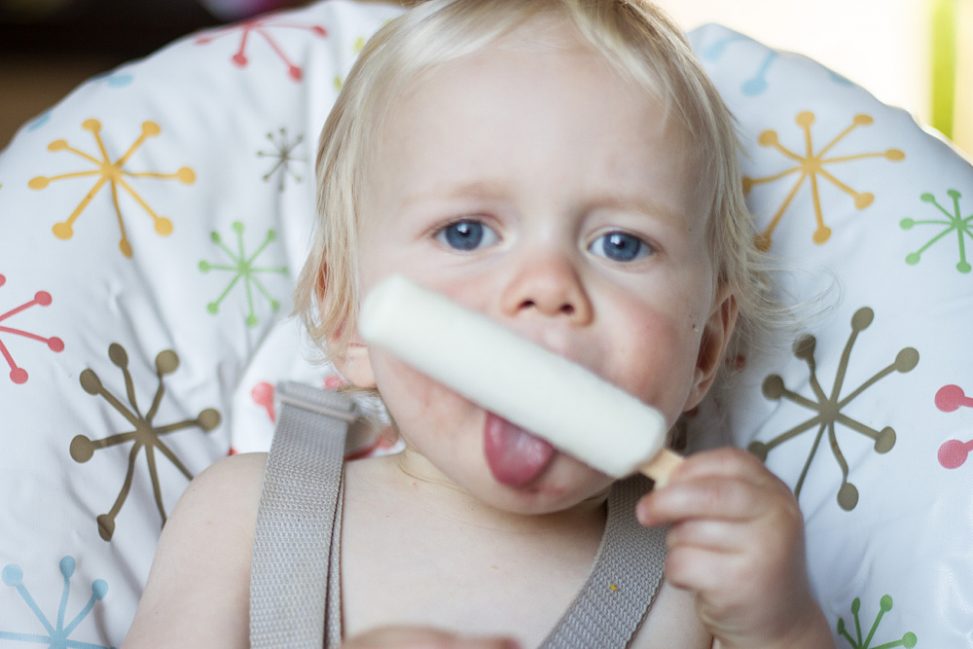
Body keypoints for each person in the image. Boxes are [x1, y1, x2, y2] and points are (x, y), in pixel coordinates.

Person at [124, 1, 834, 647]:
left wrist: (782, 625)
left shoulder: (697, 581)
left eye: (621, 244)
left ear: (705, 350)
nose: (547, 286)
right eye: (466, 232)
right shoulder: (246, 518)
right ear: (349, 319)